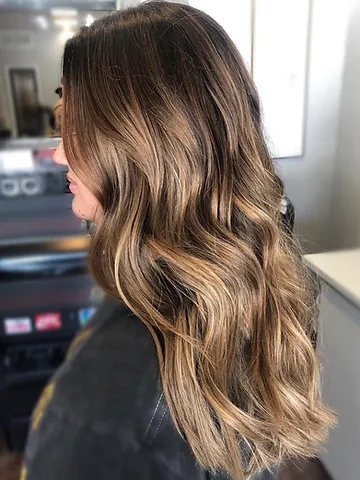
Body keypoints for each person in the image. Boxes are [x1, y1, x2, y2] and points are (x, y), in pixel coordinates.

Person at [21, 2, 334, 479]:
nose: (59, 150)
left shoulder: (104, 407)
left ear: (143, 147)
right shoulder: (234, 288)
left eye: (80, 128)